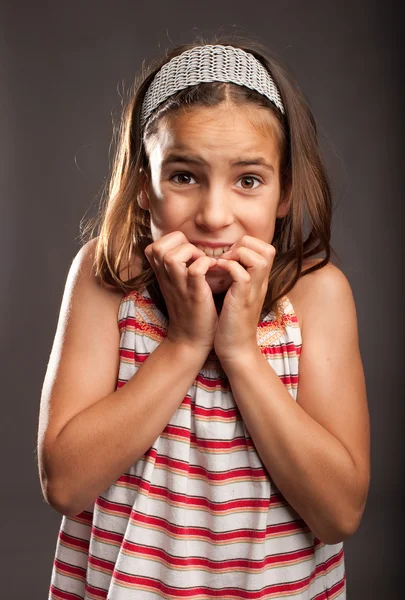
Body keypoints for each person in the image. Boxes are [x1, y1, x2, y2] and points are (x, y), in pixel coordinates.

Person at [38, 34, 370, 600]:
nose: (215, 216)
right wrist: (186, 345)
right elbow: (65, 485)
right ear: (145, 183)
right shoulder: (106, 277)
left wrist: (240, 352)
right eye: (184, 176)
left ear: (284, 191)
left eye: (248, 180)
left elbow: (338, 514)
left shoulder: (317, 295)